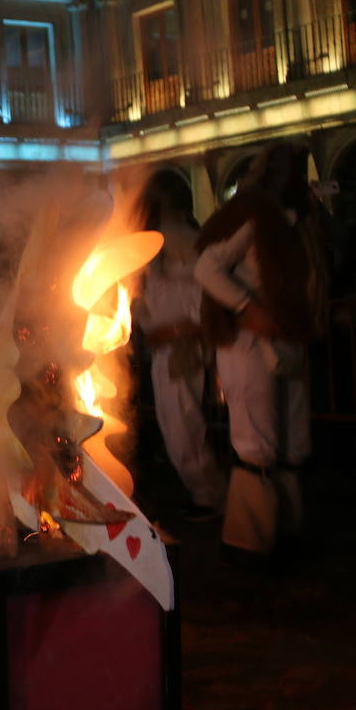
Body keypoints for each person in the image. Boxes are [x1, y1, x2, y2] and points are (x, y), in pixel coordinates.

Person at [195, 144, 323, 567]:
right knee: (257, 442)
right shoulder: (252, 219)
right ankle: (249, 540)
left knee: (291, 440)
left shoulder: (298, 223)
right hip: (249, 344)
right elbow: (208, 268)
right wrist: (248, 310)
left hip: (289, 337)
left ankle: (284, 529)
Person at [135, 192, 226, 519]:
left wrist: (173, 332)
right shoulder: (158, 256)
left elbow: (199, 308)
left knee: (182, 422)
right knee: (175, 421)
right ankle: (206, 491)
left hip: (182, 348)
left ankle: (210, 493)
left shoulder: (185, 251)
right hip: (166, 349)